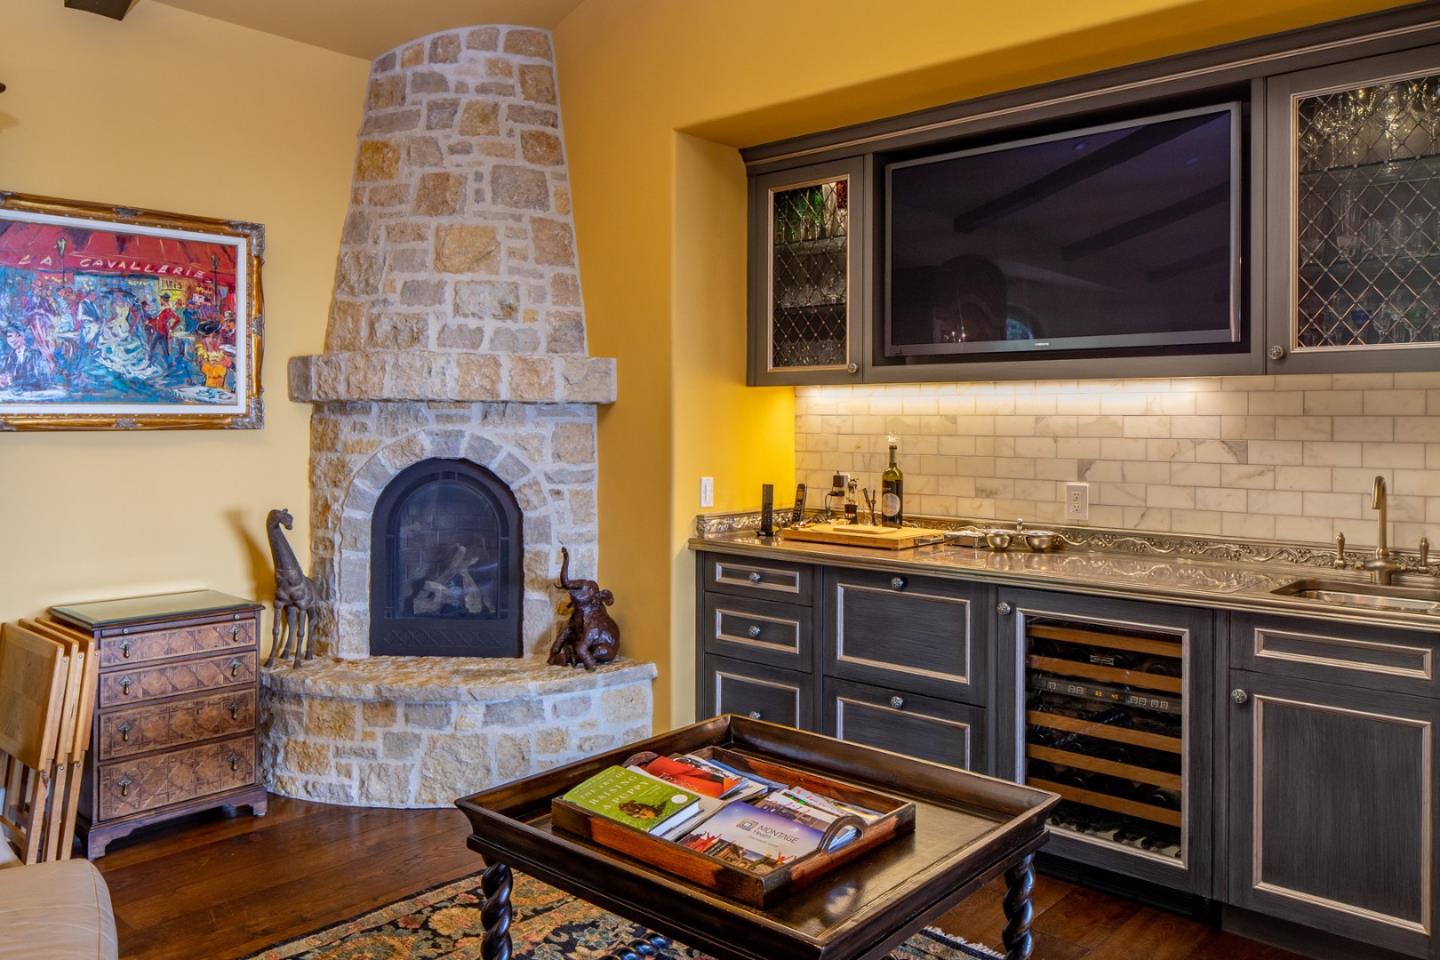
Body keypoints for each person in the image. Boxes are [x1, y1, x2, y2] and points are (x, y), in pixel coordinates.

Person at [0, 322, 57, 392]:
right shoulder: (7, 358)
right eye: (10, 336)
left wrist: (13, 381)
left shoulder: (35, 355)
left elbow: (45, 381)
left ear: (24, 337)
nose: (13, 339)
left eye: (18, 335)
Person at [193, 318, 232, 391]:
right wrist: (219, 363)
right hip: (209, 387)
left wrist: (221, 361)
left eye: (215, 337)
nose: (212, 340)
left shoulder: (220, 350)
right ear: (204, 338)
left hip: (222, 388)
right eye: (208, 337)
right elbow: (206, 368)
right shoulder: (201, 351)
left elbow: (228, 363)